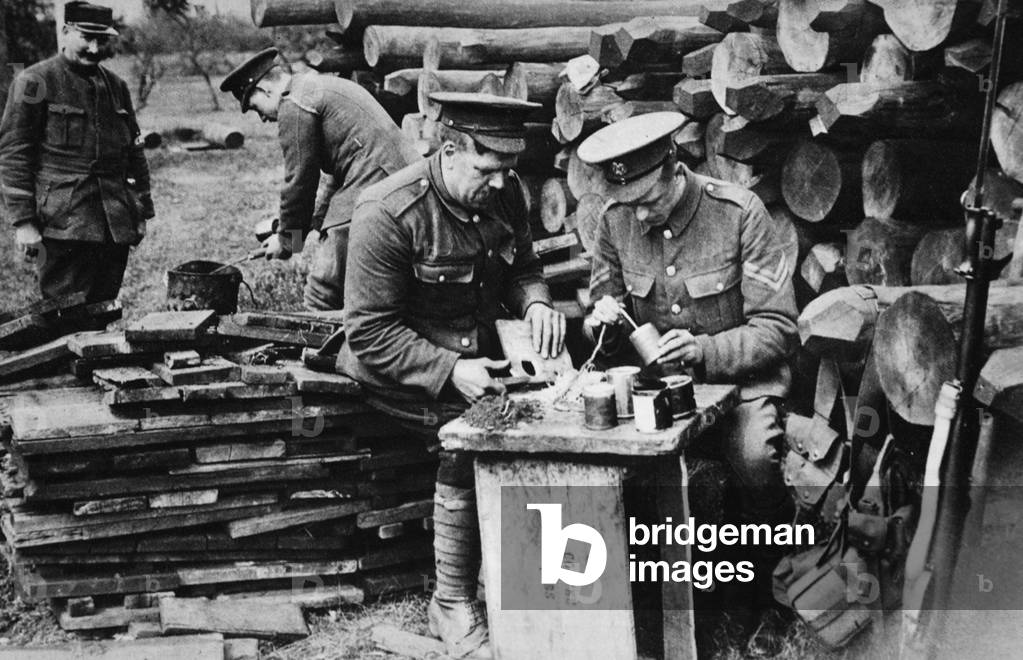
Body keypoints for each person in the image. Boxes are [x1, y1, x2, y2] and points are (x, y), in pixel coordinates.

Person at [337, 92, 566, 658]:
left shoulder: (505, 191)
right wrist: (448, 370)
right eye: (488, 172)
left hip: (479, 359)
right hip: (398, 368)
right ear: (449, 150)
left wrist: (535, 302)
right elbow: (367, 332)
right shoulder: (388, 212)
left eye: (507, 172)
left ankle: (518, 576)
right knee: (473, 434)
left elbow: (525, 266)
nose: (500, 185)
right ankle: (452, 600)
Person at [579, 112, 798, 620]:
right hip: (661, 395)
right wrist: (603, 323)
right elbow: (603, 334)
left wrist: (705, 350)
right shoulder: (616, 221)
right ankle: (650, 605)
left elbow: (779, 329)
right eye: (629, 205)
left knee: (753, 458)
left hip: (744, 386)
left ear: (675, 168)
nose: (640, 219)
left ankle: (770, 599)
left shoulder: (739, 213)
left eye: (650, 202)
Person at [220, 48, 419, 311]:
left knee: (322, 291)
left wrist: (288, 241)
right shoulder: (312, 87)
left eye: (257, 108)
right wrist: (303, 230)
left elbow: (299, 181)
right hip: (401, 177)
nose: (265, 118)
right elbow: (336, 178)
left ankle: (315, 343)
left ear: (267, 91)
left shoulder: (294, 104)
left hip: (379, 181)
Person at [0, 1, 154, 303]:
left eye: (102, 40)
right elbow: (14, 152)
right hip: (62, 224)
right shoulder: (34, 82)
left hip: (113, 223)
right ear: (66, 31)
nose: (95, 48)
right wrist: (24, 222)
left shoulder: (116, 86)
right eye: (86, 37)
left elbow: (134, 153)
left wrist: (141, 211)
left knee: (103, 310)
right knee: (63, 315)